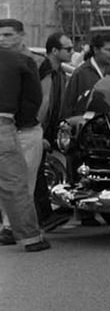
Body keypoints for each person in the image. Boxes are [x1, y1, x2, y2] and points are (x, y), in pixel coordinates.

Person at [0, 18, 50, 252]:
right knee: (15, 184)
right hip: (5, 124)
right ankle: (30, 238)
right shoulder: (23, 61)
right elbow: (33, 99)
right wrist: (21, 122)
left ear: (20, 35)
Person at [36, 31, 75, 231]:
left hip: (47, 131)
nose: (72, 52)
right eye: (68, 49)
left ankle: (44, 215)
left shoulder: (59, 71)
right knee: (35, 175)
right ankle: (43, 217)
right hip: (37, 131)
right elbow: (44, 104)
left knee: (38, 173)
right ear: (54, 50)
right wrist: (39, 134)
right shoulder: (47, 70)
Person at [64, 32, 110, 115]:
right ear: (96, 50)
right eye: (108, 50)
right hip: (87, 123)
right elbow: (69, 104)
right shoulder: (81, 73)